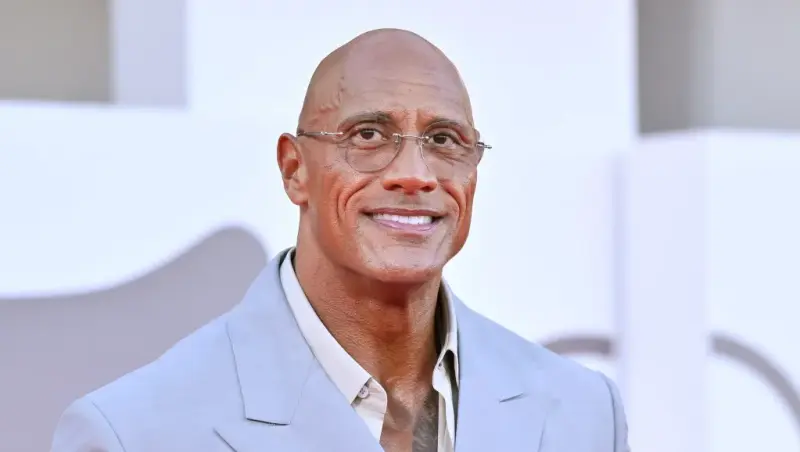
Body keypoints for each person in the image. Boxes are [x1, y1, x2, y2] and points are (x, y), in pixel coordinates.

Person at [52, 28, 629, 452]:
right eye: (369, 135)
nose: (415, 174)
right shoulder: (133, 433)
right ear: (294, 170)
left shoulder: (583, 413)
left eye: (443, 139)